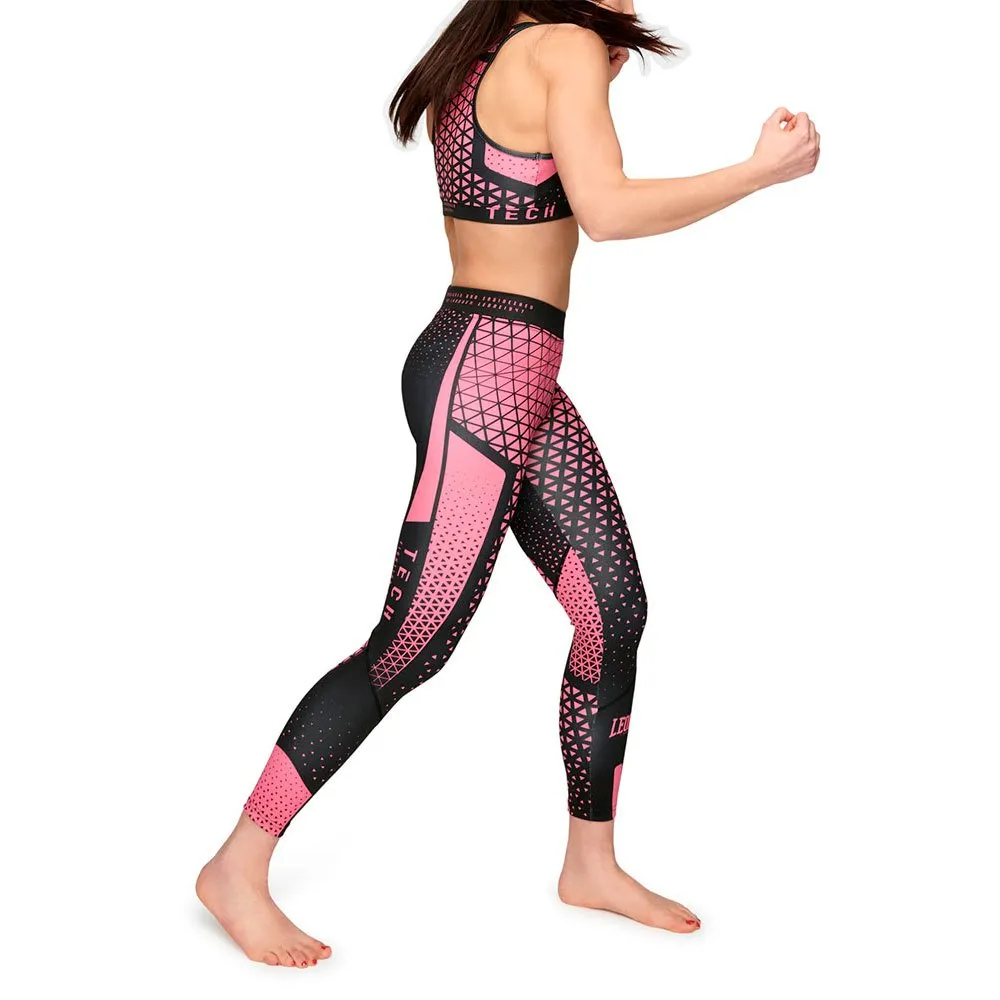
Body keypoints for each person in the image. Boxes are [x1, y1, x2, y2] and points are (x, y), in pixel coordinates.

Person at [197, 0, 820, 968]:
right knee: (412, 640)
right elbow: (607, 212)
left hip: (506, 370)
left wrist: (598, 61)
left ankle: (590, 864)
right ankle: (237, 865)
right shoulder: (561, 46)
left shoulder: (501, 45)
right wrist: (758, 172)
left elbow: (534, 168)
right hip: (484, 375)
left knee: (612, 607)